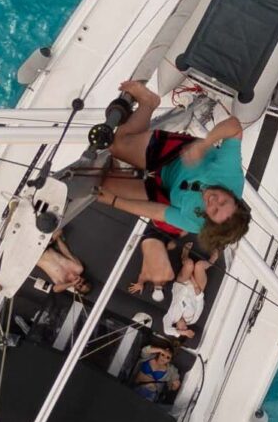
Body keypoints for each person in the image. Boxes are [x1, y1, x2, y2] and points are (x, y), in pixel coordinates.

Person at [94, 78, 252, 288]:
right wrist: (205, 144)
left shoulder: (197, 224)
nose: (214, 200)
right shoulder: (229, 176)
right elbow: (234, 127)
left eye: (213, 210)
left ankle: (129, 164)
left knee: (103, 185)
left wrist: (113, 201)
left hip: (165, 190)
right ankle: (149, 102)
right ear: (233, 196)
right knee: (117, 145)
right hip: (175, 157)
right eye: (223, 201)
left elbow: (157, 212)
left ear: (207, 220)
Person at [159, 245, 210, 340]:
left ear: (176, 327)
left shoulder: (170, 317)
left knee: (190, 264)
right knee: (199, 266)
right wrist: (194, 281)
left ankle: (184, 256)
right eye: (186, 328)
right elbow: (200, 303)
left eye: (182, 329)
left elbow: (166, 330)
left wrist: (184, 333)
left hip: (182, 283)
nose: (185, 327)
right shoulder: (192, 319)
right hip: (197, 287)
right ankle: (213, 260)